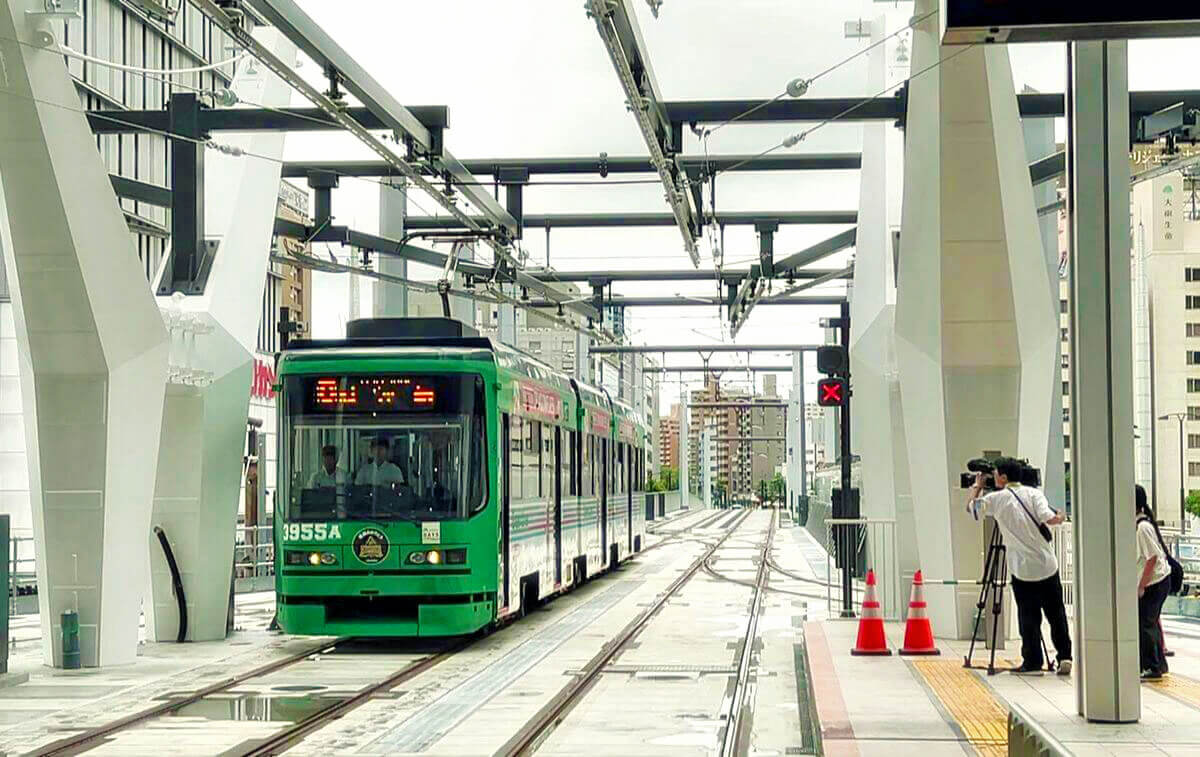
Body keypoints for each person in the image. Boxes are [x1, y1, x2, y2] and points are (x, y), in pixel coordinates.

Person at [968, 457, 1072, 676]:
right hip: (1047, 565)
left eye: (995, 474)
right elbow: (1049, 518)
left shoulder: (995, 499)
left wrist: (977, 486)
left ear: (1003, 477)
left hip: (1022, 570)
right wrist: (1060, 516)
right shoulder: (1034, 494)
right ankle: (1065, 656)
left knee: (1028, 617)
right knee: (1056, 614)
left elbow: (972, 509)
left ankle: (1032, 662)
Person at [1135, 485, 1171, 681]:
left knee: (1146, 624)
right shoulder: (1142, 525)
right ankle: (1159, 665)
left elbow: (1152, 558)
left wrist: (1141, 585)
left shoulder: (1142, 528)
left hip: (1155, 582)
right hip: (1157, 582)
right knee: (1151, 623)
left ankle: (1152, 667)